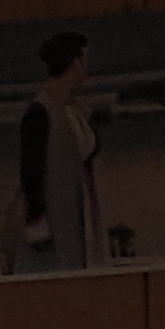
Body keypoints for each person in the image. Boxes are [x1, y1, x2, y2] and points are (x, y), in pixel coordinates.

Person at [19, 29, 102, 268]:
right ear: (76, 62)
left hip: (79, 209)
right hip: (56, 213)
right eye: (84, 59)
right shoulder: (39, 112)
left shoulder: (76, 108)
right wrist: (36, 222)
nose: (86, 66)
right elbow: (30, 172)